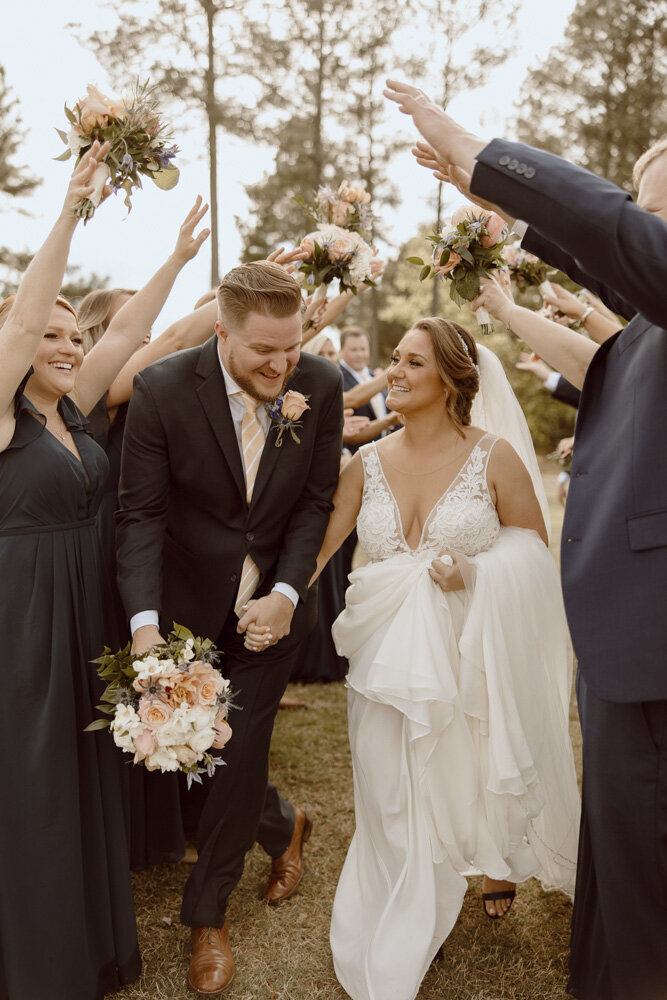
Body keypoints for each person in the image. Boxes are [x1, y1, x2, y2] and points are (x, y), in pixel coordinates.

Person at [386, 77, 667, 1000]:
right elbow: (600, 335)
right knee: (624, 849)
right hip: (630, 634)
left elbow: (618, 243)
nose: (641, 228)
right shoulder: (644, 330)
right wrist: (510, 251)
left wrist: (481, 152)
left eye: (656, 210)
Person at [288, 316, 579, 1000]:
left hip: (466, 643)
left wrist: (474, 574)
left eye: (411, 363)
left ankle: (491, 860)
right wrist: (270, 599)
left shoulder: (494, 456)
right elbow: (322, 548)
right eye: (394, 359)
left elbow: (533, 556)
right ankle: (403, 899)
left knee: (468, 763)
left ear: (450, 379)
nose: (394, 371)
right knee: (387, 781)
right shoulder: (367, 461)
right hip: (386, 648)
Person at [0, 141, 206, 999]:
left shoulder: (72, 409)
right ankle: (37, 964)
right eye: (50, 335)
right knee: (35, 787)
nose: (64, 343)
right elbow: (21, 319)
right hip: (21, 626)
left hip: (83, 610)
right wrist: (73, 205)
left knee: (86, 783)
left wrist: (179, 261)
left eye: (71, 337)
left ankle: (91, 947)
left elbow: (132, 335)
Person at [115, 260, 343, 995]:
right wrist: (146, 628)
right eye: (262, 352)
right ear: (221, 333)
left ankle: (206, 917)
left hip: (269, 613)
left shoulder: (322, 385)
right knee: (192, 760)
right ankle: (283, 826)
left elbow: (313, 502)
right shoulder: (161, 388)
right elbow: (142, 514)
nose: (282, 364)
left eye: (293, 345)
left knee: (237, 753)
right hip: (183, 606)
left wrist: (285, 590)